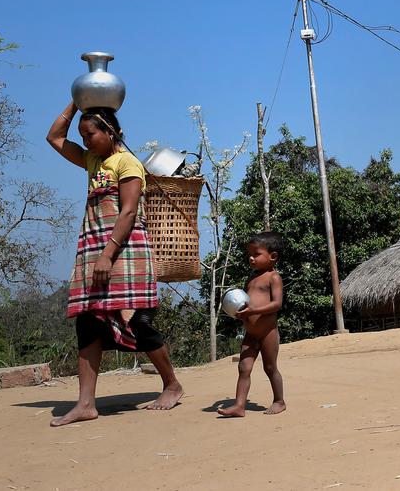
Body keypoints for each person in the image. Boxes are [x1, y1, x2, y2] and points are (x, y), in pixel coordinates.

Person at [46, 103, 183, 426]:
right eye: (82, 135)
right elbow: (54, 137)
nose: (86, 140)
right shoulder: (93, 161)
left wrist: (109, 253)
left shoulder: (128, 163)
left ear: (111, 132)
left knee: (137, 321)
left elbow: (129, 212)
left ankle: (172, 384)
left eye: (90, 133)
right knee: (88, 322)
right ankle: (86, 403)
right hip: (94, 250)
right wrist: (75, 103)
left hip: (125, 252)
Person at [217, 232, 286, 417]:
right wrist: (240, 314)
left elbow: (276, 304)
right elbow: (247, 302)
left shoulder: (274, 278)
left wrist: (253, 312)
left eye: (256, 254)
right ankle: (239, 406)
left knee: (270, 368)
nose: (251, 257)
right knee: (243, 368)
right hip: (250, 333)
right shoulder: (251, 278)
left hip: (268, 333)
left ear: (273, 257)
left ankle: (279, 401)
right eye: (250, 254)